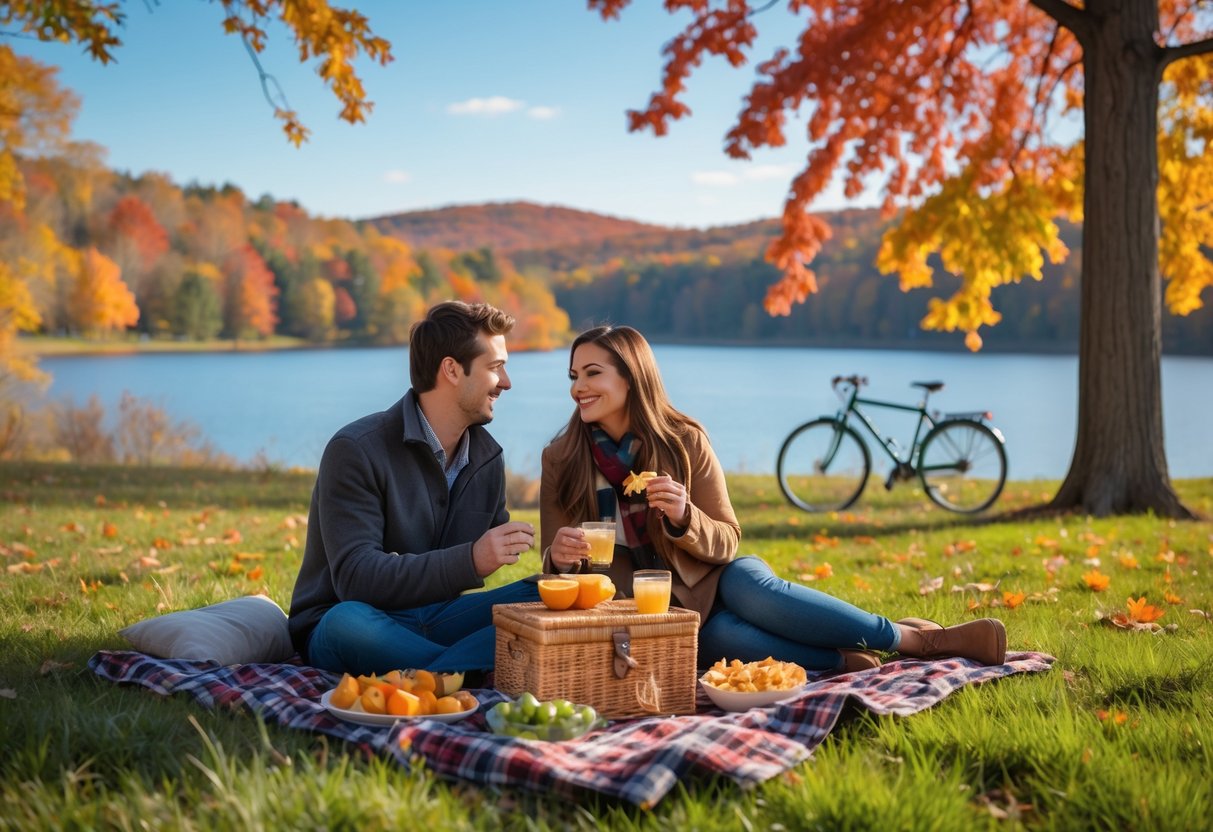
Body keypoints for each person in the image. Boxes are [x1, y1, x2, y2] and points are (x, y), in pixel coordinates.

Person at [539, 325, 1006, 672]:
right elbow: (554, 570)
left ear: (632, 377)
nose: (578, 387)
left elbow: (726, 541)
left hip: (718, 578)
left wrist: (685, 516)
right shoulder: (562, 458)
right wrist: (558, 560)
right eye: (574, 375)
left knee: (748, 586)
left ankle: (915, 641)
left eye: (592, 373)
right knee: (718, 636)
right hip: (661, 615)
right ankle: (842, 661)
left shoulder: (685, 441)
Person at [288, 301, 540, 676]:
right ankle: (465, 670)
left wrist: (560, 561)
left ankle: (438, 670)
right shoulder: (357, 449)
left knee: (542, 593)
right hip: (354, 620)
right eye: (496, 367)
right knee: (347, 621)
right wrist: (471, 560)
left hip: (439, 617)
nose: (506, 383)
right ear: (452, 370)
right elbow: (357, 578)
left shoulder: (487, 458)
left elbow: (495, 546)